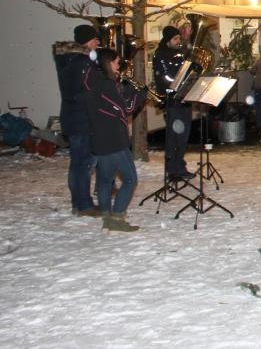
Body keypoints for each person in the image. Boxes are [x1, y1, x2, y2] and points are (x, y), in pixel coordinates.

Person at [85, 48, 145, 232]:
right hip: (113, 139)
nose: (119, 65)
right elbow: (125, 109)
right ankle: (117, 217)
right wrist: (140, 94)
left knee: (105, 179)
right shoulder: (106, 84)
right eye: (117, 62)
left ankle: (106, 213)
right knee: (129, 179)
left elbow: (113, 105)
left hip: (100, 138)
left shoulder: (94, 81)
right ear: (108, 63)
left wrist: (124, 90)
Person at [53, 24, 102, 216]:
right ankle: (84, 205)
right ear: (89, 40)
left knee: (77, 164)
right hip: (83, 118)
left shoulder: (67, 59)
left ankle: (78, 203)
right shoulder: (83, 62)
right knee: (84, 164)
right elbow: (89, 91)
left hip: (72, 117)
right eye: (95, 39)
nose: (97, 42)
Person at [153, 25, 193, 179]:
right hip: (172, 100)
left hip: (183, 98)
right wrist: (180, 79)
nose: (178, 41)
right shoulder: (161, 54)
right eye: (175, 39)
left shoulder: (179, 54)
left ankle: (180, 166)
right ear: (168, 40)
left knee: (183, 137)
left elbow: (184, 72)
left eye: (178, 38)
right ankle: (172, 170)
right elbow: (164, 78)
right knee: (173, 137)